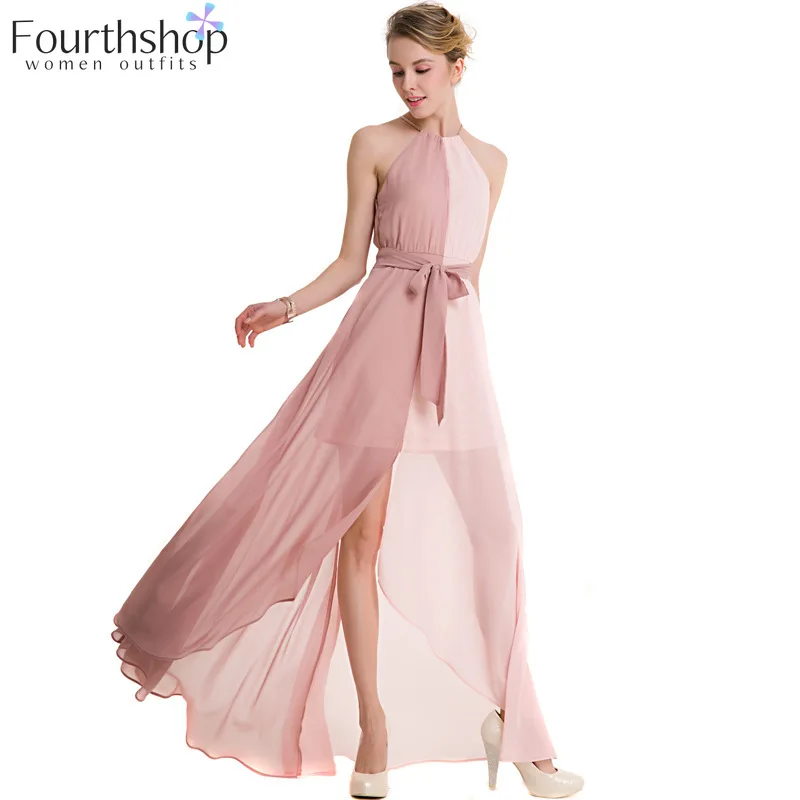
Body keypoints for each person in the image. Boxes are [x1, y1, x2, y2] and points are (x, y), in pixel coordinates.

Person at [111, 3, 584, 798]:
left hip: (454, 360)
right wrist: (285, 306)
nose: (408, 85)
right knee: (360, 538)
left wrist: (466, 370)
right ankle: (374, 728)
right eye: (396, 71)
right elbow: (349, 261)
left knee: (498, 536)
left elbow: (472, 279)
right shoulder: (373, 144)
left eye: (422, 69)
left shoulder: (494, 163)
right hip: (376, 351)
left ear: (458, 66)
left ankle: (521, 729)